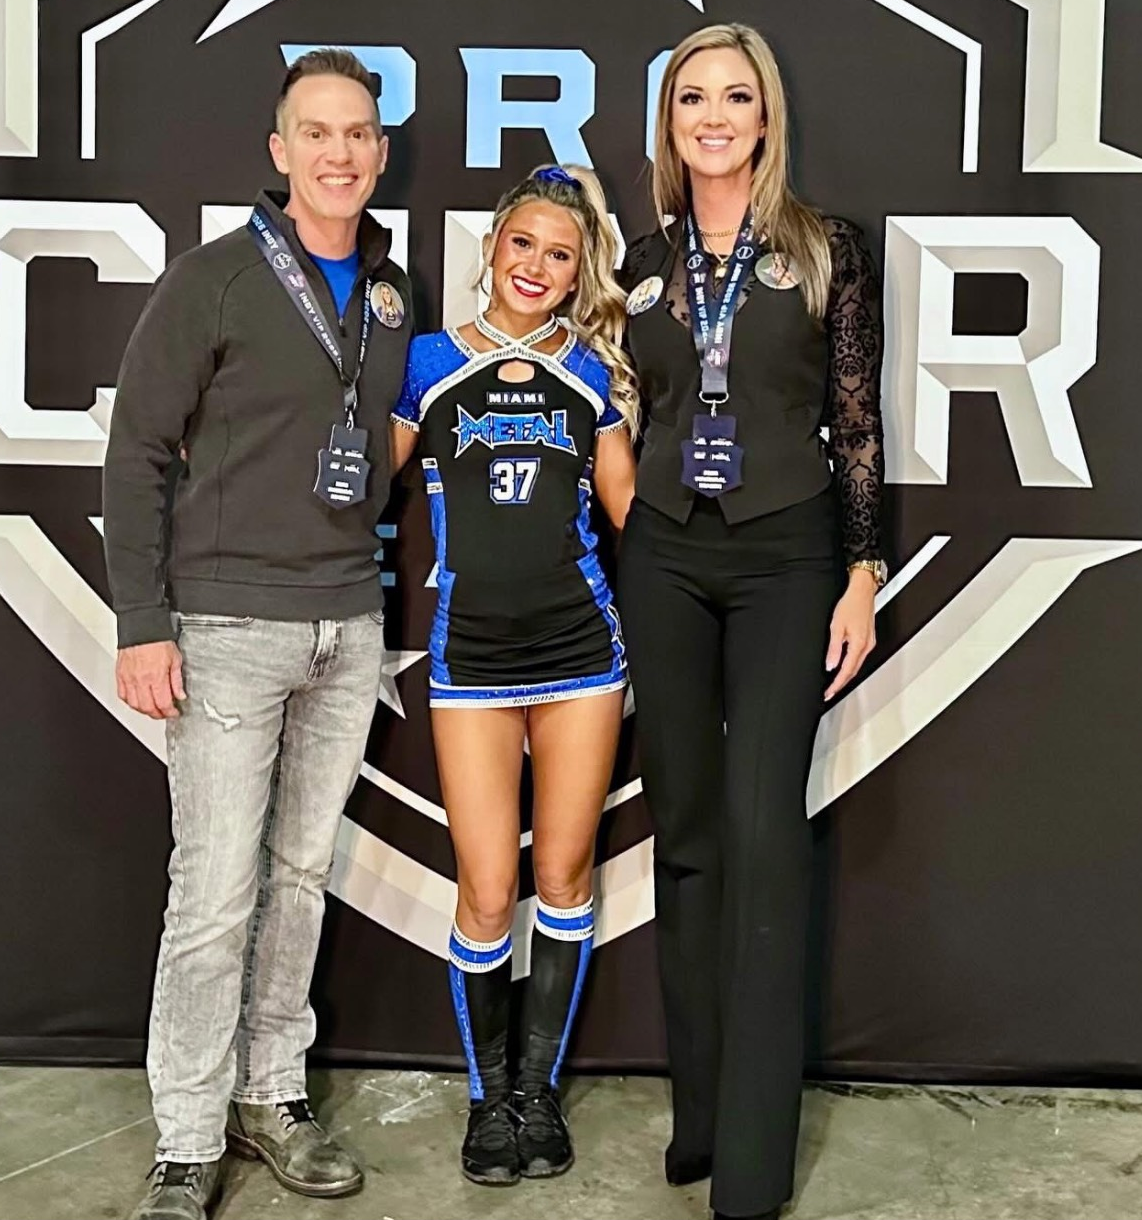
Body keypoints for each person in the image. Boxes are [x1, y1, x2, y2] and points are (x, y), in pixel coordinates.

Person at [102, 48, 413, 1220]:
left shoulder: (388, 294)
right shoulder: (216, 278)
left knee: (298, 880)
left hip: (348, 622)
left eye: (357, 133)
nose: (339, 152)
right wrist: (144, 620)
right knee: (215, 893)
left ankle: (271, 1093)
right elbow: (136, 451)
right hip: (227, 625)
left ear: (380, 153)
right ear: (281, 151)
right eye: (315, 132)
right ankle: (186, 1139)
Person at [616, 23, 886, 1220]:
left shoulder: (827, 250)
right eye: (692, 98)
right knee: (684, 834)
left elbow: (856, 422)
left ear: (765, 116)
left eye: (735, 97)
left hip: (786, 553)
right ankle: (700, 1113)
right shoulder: (637, 261)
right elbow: (622, 411)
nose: (713, 117)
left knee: (763, 831)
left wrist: (861, 572)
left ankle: (754, 1157)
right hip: (664, 554)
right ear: (668, 121)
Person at [389, 164, 638, 1187]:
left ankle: (537, 1094)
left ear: (580, 274)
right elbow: (352, 489)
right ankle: (487, 1100)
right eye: (523, 243)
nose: (537, 265)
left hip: (581, 656)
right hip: (472, 659)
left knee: (563, 880)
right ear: (491, 248)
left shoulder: (594, 374)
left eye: (560, 254)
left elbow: (633, 519)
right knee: (488, 890)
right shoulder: (427, 362)